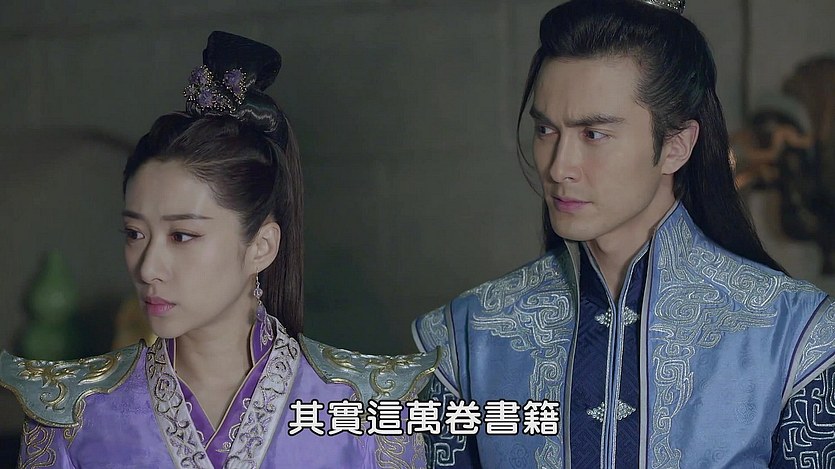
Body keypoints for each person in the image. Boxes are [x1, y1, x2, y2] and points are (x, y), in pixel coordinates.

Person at [412, 0, 835, 467]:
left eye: (593, 134)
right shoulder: (466, 336)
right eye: (546, 130)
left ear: (676, 146)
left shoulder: (796, 338)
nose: (559, 167)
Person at [1, 31, 435, 468]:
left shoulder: (371, 407)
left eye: (181, 236)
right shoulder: (71, 412)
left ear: (261, 246)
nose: (148, 268)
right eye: (135, 233)